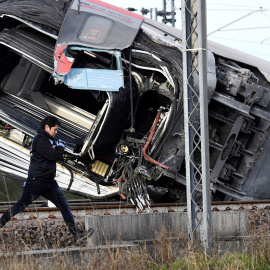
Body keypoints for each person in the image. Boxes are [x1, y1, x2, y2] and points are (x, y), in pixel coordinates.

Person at [0, 116, 94, 244]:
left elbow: (53, 155)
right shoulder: (40, 139)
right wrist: (60, 147)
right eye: (55, 129)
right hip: (36, 182)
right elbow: (54, 156)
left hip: (49, 182)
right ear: (47, 127)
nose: (56, 132)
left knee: (64, 206)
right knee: (19, 206)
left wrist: (58, 146)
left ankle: (76, 235)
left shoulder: (47, 140)